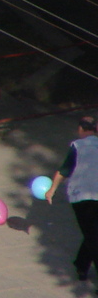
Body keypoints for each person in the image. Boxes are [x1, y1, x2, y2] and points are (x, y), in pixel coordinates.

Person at [45, 116, 98, 284]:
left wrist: (51, 190)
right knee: (92, 234)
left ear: (81, 129)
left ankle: (81, 265)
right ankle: (81, 265)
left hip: (80, 196)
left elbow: (64, 170)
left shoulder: (78, 146)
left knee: (92, 234)